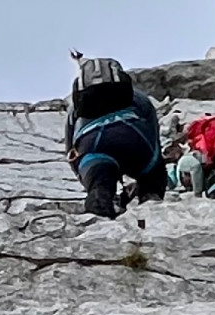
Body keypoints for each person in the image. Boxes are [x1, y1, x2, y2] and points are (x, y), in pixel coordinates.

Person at [65, 54, 165, 218]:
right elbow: (152, 125)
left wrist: (87, 177)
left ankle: (100, 213)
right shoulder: (137, 96)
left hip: (93, 145)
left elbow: (70, 146)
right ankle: (150, 201)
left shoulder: (76, 106)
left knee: (100, 185)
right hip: (135, 137)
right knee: (152, 175)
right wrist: (153, 162)